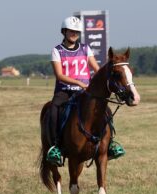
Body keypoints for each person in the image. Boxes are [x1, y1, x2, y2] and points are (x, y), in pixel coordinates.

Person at [46, 16, 125, 166]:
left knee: (106, 110)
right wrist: (78, 82)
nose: (74, 34)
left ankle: (111, 144)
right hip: (65, 91)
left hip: (85, 92)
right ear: (64, 31)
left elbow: (96, 68)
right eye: (71, 31)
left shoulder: (85, 49)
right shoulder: (57, 51)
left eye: (76, 31)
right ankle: (55, 146)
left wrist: (107, 74)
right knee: (54, 109)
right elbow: (59, 75)